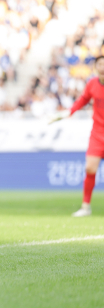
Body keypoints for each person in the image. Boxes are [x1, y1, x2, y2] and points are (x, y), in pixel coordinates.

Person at [51, 55, 104, 217]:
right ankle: (85, 207)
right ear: (96, 67)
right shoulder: (92, 83)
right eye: (100, 64)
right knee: (89, 168)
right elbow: (82, 100)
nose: (103, 66)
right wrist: (68, 112)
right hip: (98, 133)